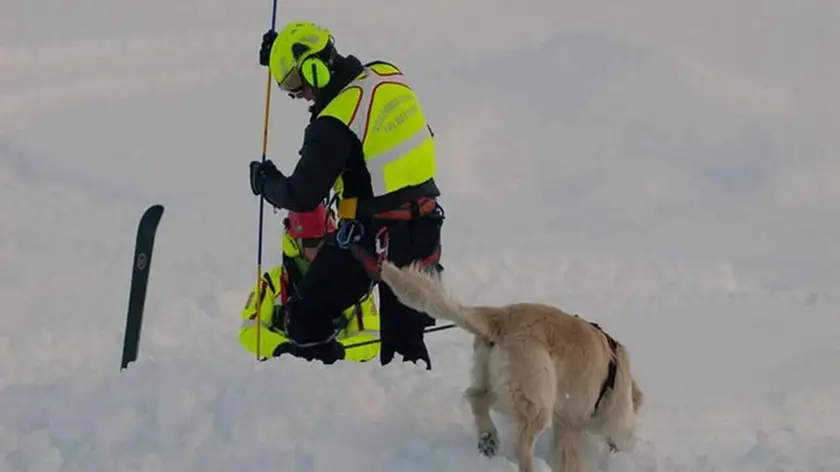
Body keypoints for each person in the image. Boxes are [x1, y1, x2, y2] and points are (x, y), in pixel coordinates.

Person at [248, 20, 445, 370]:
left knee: (307, 317)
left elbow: (302, 195)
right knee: (406, 346)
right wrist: (281, 54)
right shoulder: (386, 73)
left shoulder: (333, 123)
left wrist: (267, 182)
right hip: (424, 225)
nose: (300, 95)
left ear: (315, 69)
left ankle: (320, 393)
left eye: (296, 85)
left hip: (375, 235)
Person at [239, 203, 381, 364]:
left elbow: (371, 339)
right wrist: (284, 349)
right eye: (312, 241)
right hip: (283, 373)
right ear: (295, 243)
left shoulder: (353, 283)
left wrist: (338, 351)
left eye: (326, 240)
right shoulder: (272, 283)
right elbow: (250, 331)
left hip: (334, 378)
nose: (320, 247)